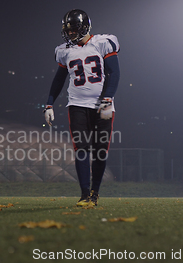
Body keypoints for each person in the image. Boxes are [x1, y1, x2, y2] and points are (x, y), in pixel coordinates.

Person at [44, 9, 120, 207]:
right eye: (67, 30)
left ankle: (95, 192)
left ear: (85, 27)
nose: (70, 34)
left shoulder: (103, 43)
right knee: (81, 149)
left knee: (101, 150)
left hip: (103, 105)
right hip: (76, 105)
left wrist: (108, 97)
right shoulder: (64, 51)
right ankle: (85, 194)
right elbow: (59, 79)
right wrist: (50, 103)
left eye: (73, 29)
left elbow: (114, 72)